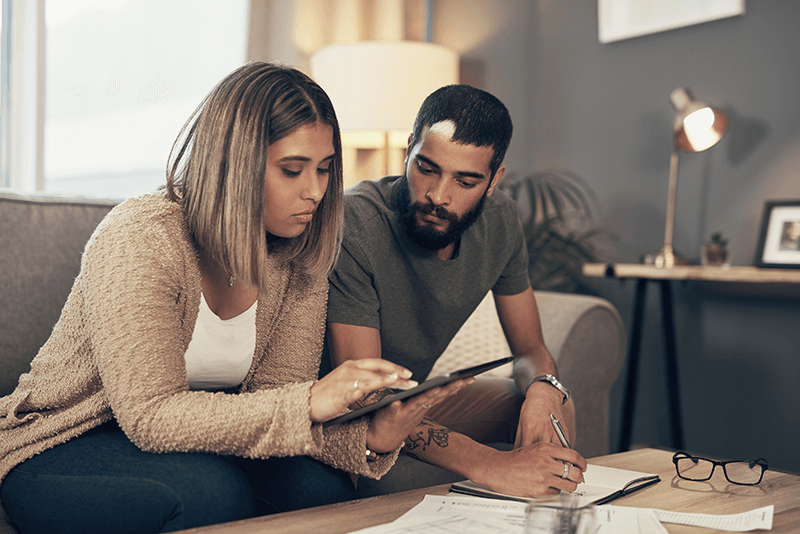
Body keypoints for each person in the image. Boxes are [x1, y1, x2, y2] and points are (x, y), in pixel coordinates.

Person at [0, 62, 468, 534]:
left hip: (203, 439)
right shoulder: (140, 238)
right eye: (292, 170)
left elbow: (271, 403)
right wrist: (309, 400)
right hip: (64, 442)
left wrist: (372, 437)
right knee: (211, 492)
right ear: (235, 166)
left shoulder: (298, 254)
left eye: (325, 169)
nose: (317, 191)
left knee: (318, 491)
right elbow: (150, 416)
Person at [326, 84, 587, 498]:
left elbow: (530, 350)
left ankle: (539, 513)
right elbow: (366, 398)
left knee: (549, 406)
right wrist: (491, 466)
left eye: (465, 181)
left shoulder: (501, 221)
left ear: (493, 180)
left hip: (412, 401)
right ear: (408, 149)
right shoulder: (355, 223)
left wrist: (543, 388)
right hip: (345, 413)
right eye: (426, 168)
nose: (437, 196)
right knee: (374, 447)